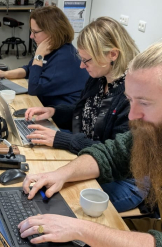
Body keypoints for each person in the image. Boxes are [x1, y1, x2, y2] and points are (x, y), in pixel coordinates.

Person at [18, 19, 162, 247]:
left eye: (144, 103)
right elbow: (110, 153)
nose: (132, 115)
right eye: (129, 100)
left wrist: (79, 229)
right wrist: (59, 174)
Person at [24, 17, 142, 212]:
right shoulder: (99, 78)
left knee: (52, 197)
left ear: (112, 54)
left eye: (86, 60)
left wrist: (64, 140)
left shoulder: (131, 97)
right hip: (87, 153)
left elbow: (114, 155)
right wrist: (54, 111)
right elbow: (88, 112)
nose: (81, 66)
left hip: (124, 179)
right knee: (38, 166)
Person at [0, 6, 89, 106]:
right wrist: (4, 74)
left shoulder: (63, 57)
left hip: (59, 116)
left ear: (52, 32)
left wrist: (39, 55)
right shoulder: (51, 49)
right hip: (46, 105)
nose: (31, 36)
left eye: (35, 32)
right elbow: (30, 69)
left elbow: (34, 88)